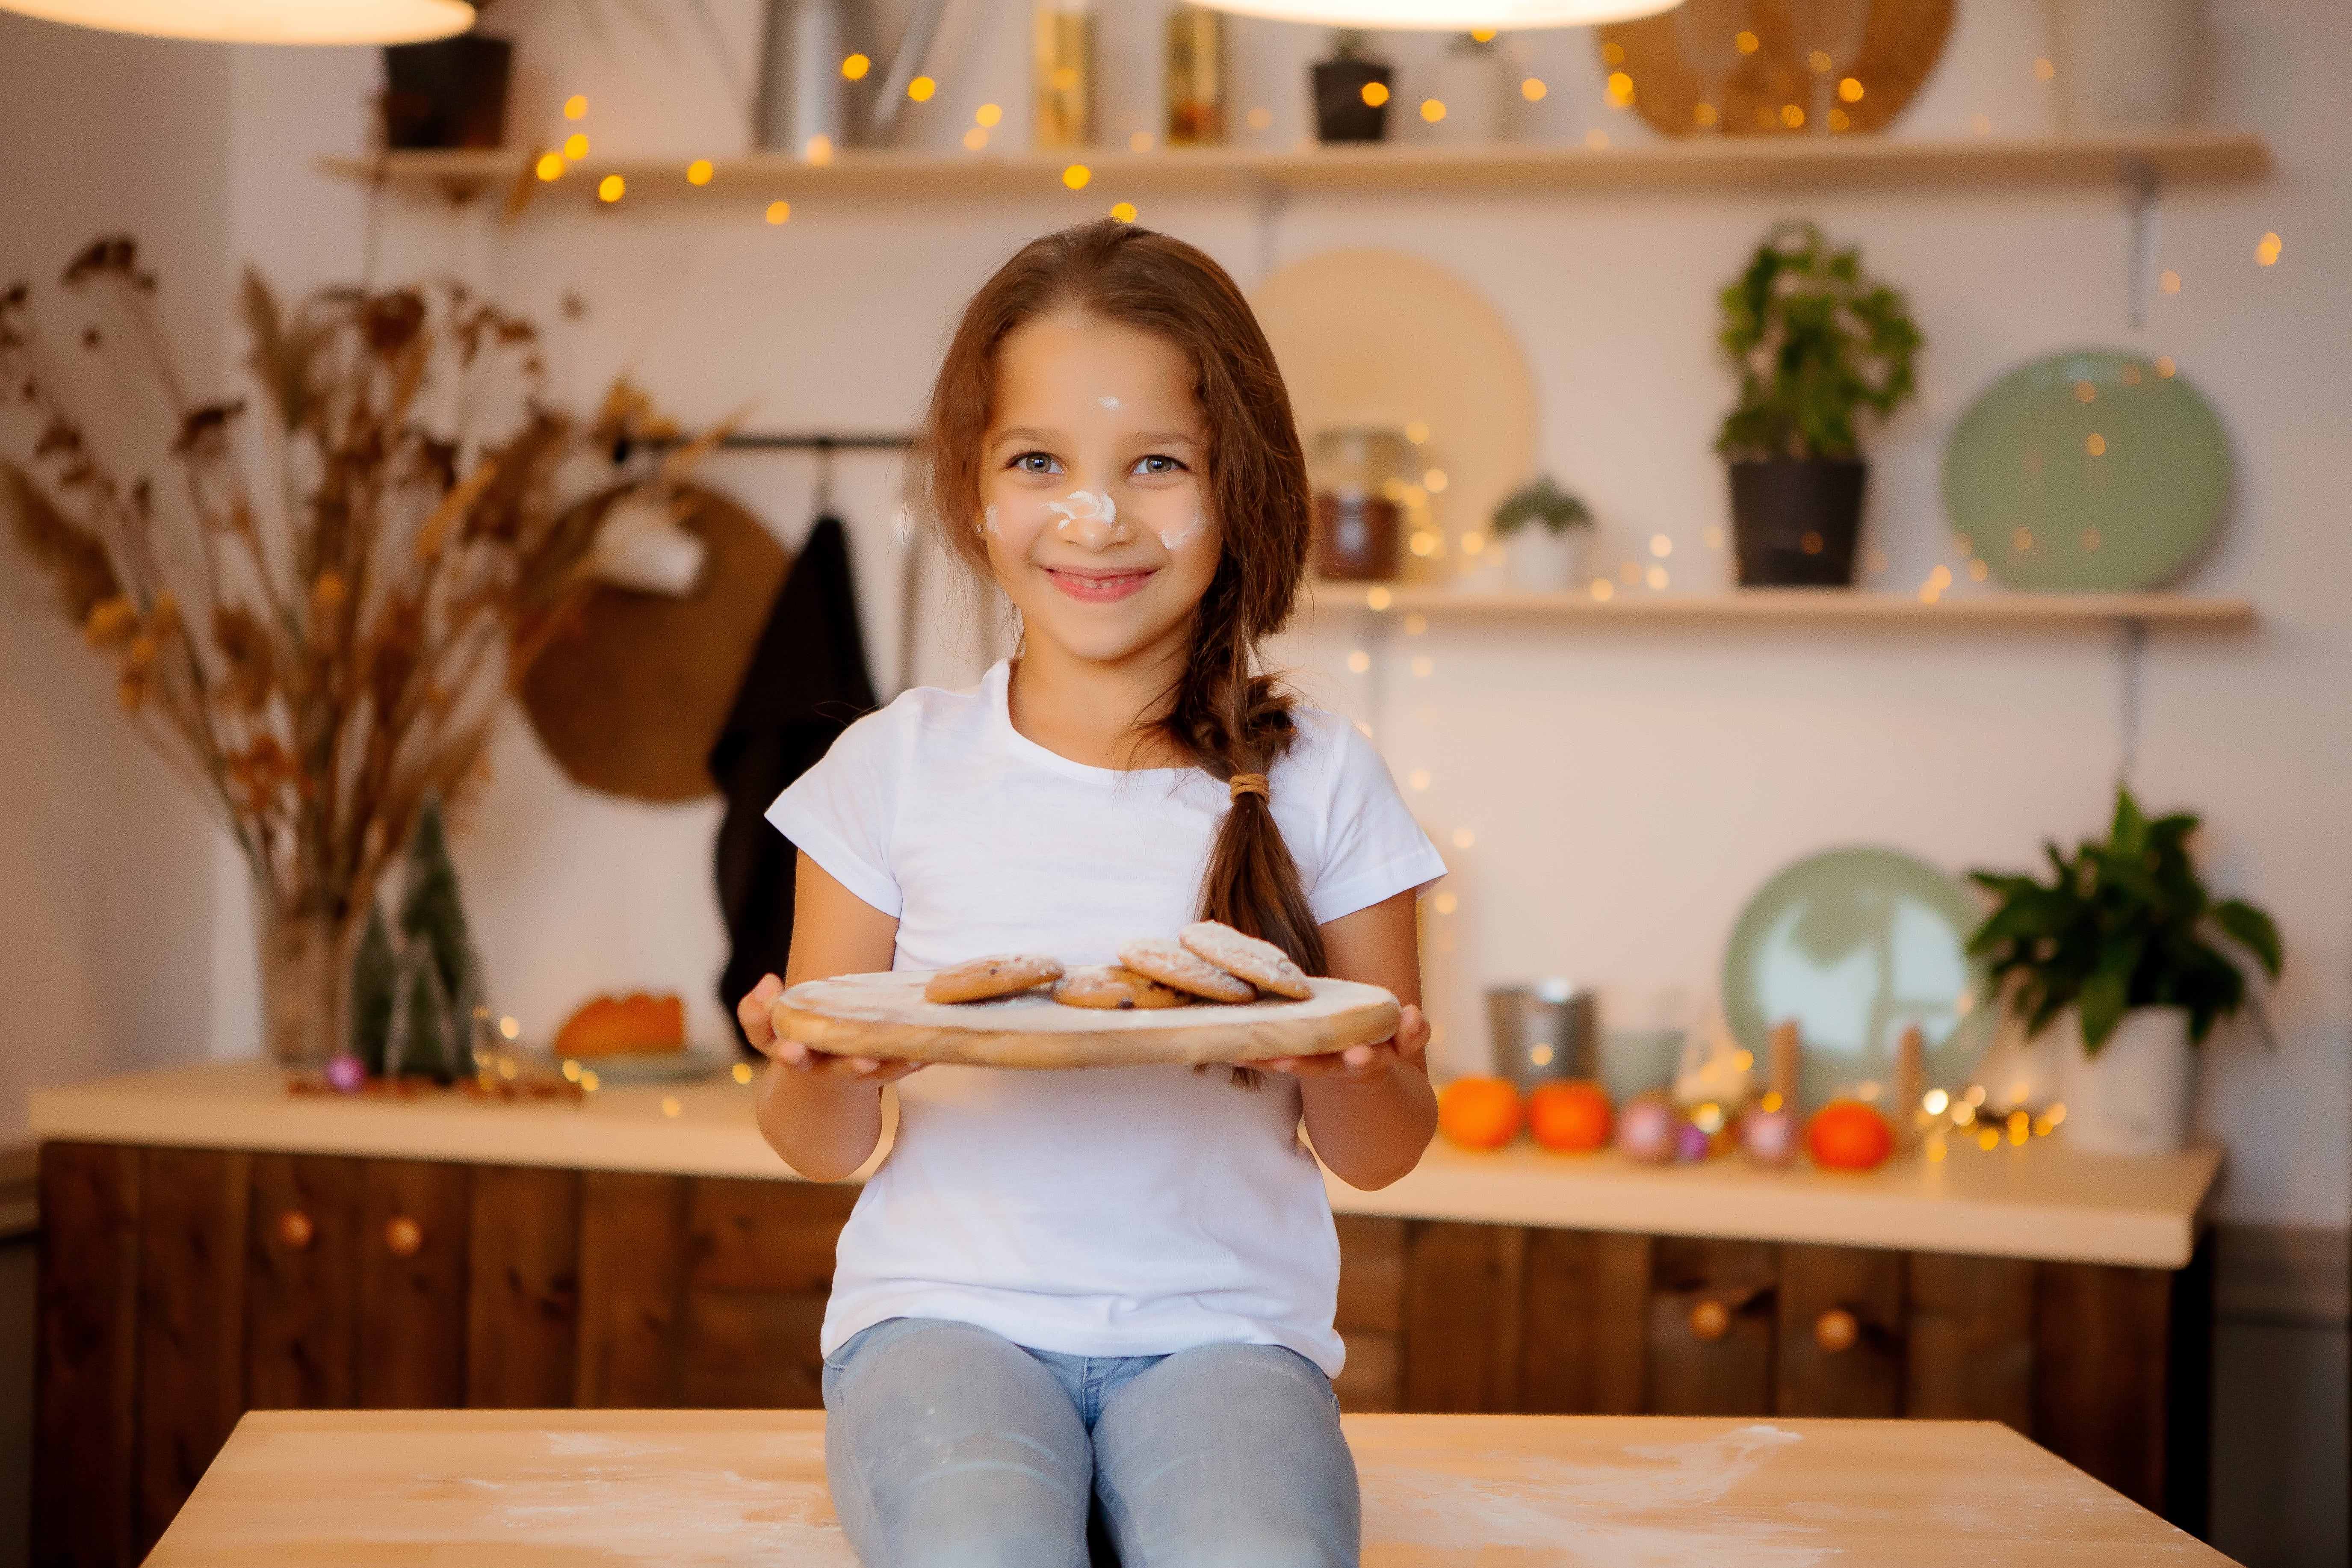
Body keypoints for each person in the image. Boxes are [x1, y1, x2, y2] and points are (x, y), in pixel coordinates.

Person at [734, 219, 1446, 1568]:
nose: (1095, 515)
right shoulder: (888, 769)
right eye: (1039, 462)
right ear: (973, 488)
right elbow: (817, 1142)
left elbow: (1384, 1146)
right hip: (941, 1324)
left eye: (1158, 464)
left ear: (1243, 486)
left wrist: (1359, 1067)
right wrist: (816, 1065)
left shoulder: (1324, 780)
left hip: (1229, 1335)